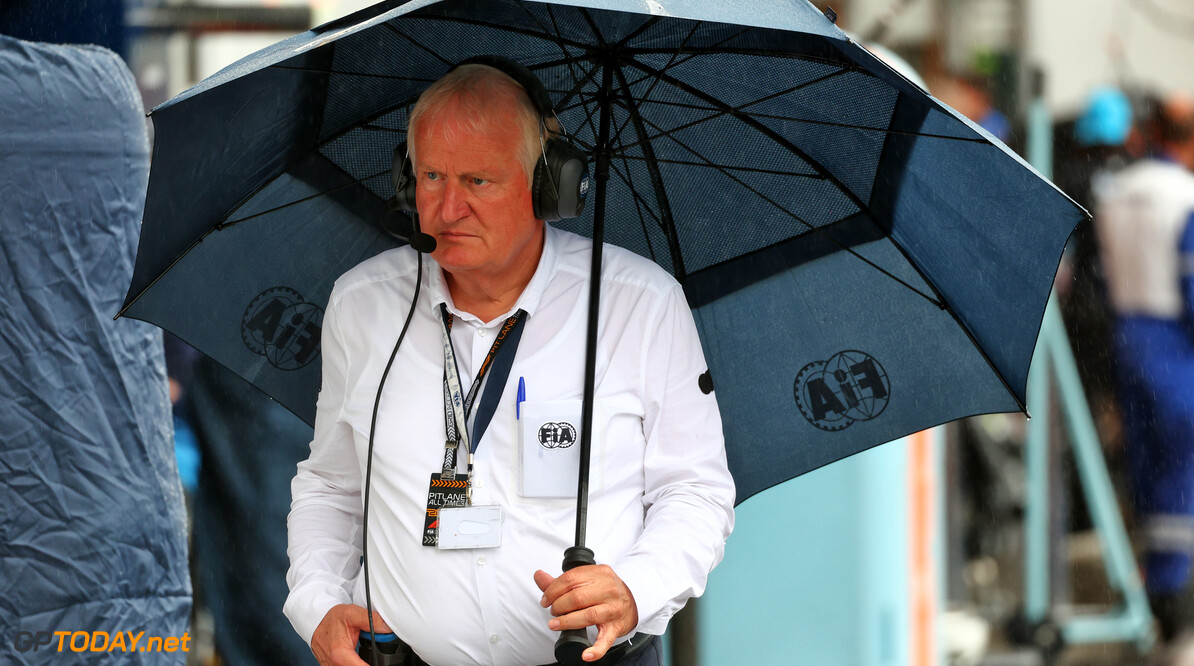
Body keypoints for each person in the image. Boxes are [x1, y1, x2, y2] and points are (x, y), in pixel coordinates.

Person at [284, 60, 736, 666]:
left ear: (547, 185)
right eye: (432, 177)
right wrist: (317, 604)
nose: (447, 209)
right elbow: (332, 484)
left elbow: (695, 490)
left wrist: (635, 589)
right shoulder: (363, 306)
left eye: (477, 181)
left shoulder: (638, 303)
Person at [1095, 92, 1194, 651]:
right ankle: (1172, 596)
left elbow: (1102, 279)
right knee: (1182, 467)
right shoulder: (1185, 197)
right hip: (1175, 343)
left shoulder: (1118, 192)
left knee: (1146, 466)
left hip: (1126, 337)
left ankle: (1150, 587)